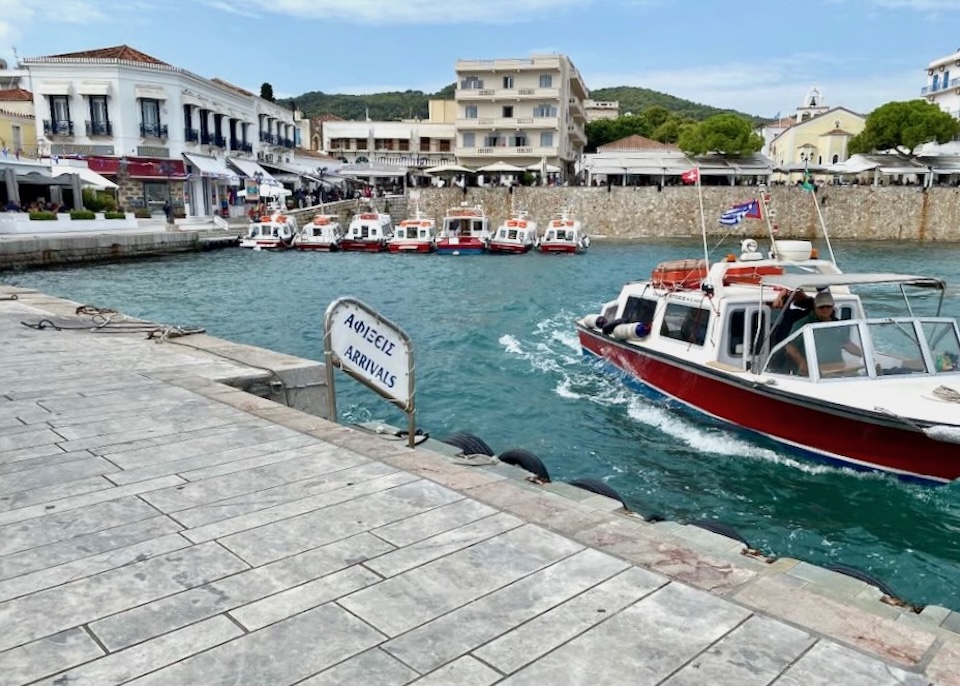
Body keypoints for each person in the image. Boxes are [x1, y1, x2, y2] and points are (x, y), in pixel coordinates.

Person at [785, 291, 862, 376]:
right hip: (812, 371)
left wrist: (864, 355)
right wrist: (803, 363)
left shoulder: (837, 324)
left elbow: (847, 344)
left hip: (837, 368)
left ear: (833, 307)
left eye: (828, 307)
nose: (825, 310)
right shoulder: (802, 324)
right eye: (821, 307)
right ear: (815, 307)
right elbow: (790, 348)